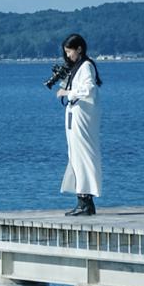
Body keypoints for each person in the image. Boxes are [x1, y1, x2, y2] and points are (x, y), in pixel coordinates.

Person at [54, 33, 103, 216]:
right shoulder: (78, 67)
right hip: (75, 114)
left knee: (83, 155)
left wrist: (68, 93)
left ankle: (86, 201)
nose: (68, 56)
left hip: (83, 116)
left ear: (79, 49)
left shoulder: (86, 66)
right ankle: (82, 199)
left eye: (69, 52)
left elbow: (89, 88)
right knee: (75, 155)